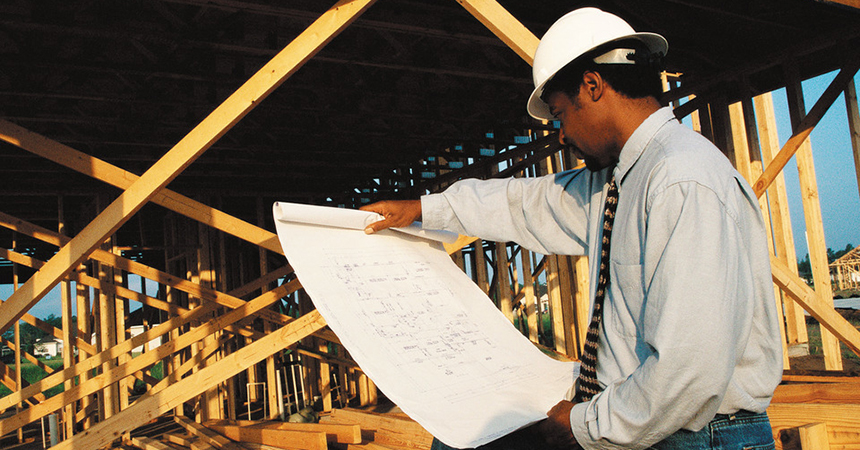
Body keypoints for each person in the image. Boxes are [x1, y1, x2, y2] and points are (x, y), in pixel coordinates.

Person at [361, 7, 783, 450]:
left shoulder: (681, 181)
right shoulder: (621, 181)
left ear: (593, 86)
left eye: (561, 114)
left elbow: (688, 370)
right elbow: (526, 203)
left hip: (694, 435)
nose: (561, 135)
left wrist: (584, 424)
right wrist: (424, 208)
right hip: (648, 425)